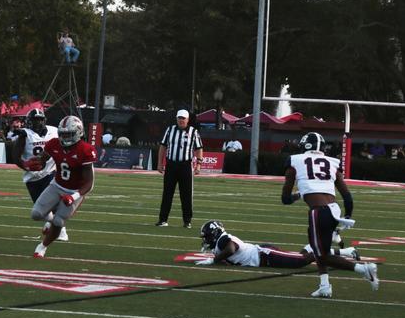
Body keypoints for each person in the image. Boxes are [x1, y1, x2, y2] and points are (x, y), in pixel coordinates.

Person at [282, 132, 379, 298]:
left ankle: (363, 269)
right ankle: (325, 285)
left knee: (321, 254)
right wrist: (347, 216)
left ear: (305, 145)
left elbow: (285, 199)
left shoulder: (294, 160)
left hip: (319, 212)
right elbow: (347, 196)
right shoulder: (333, 162)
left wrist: (299, 194)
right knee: (318, 247)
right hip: (334, 209)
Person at [24, 115, 94, 257]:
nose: (65, 138)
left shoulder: (85, 150)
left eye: (68, 134)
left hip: (75, 190)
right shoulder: (54, 144)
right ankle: (49, 222)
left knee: (59, 221)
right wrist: (37, 163)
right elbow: (43, 159)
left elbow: (89, 184)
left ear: (78, 133)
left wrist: (74, 196)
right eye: (62, 134)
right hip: (57, 184)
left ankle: (42, 246)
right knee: (36, 214)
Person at [194, 220, 359, 268]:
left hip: (265, 255)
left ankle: (331, 237)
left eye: (207, 236)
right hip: (263, 255)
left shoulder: (223, 239)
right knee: (302, 255)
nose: (206, 240)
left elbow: (232, 248)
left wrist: (213, 260)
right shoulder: (220, 241)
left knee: (303, 260)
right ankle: (348, 252)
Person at [14, 108, 69, 242]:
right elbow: (16, 157)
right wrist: (25, 165)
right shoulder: (24, 135)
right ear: (29, 121)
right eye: (34, 120)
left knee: (55, 205)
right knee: (41, 210)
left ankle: (62, 231)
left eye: (39, 120)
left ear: (44, 120)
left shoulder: (54, 131)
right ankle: (51, 223)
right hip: (32, 177)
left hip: (50, 171)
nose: (37, 123)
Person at [156, 109, 203, 228]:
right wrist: (160, 163)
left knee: (186, 194)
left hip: (185, 166)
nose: (181, 120)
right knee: (167, 193)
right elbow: (163, 146)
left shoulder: (193, 132)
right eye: (179, 118)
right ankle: (163, 220)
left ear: (188, 119)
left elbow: (199, 148)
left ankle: (187, 221)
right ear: (176, 118)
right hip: (171, 164)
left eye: (183, 118)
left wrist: (198, 164)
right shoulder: (170, 130)